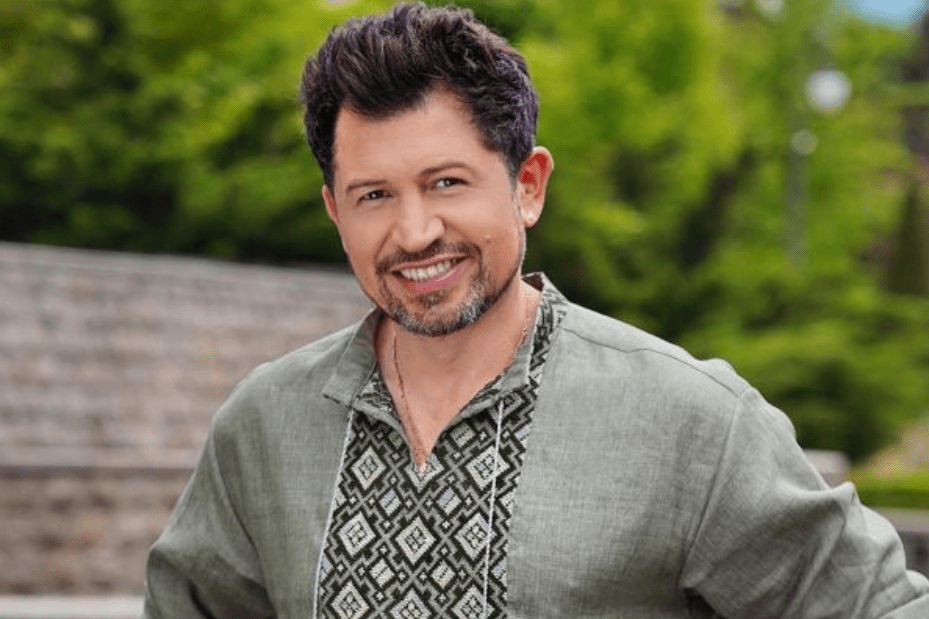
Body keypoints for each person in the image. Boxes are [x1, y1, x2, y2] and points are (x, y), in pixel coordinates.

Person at [144, 3, 929, 618]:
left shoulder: (688, 420)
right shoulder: (264, 424)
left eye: (446, 182)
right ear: (333, 210)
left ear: (527, 186)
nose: (414, 232)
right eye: (373, 195)